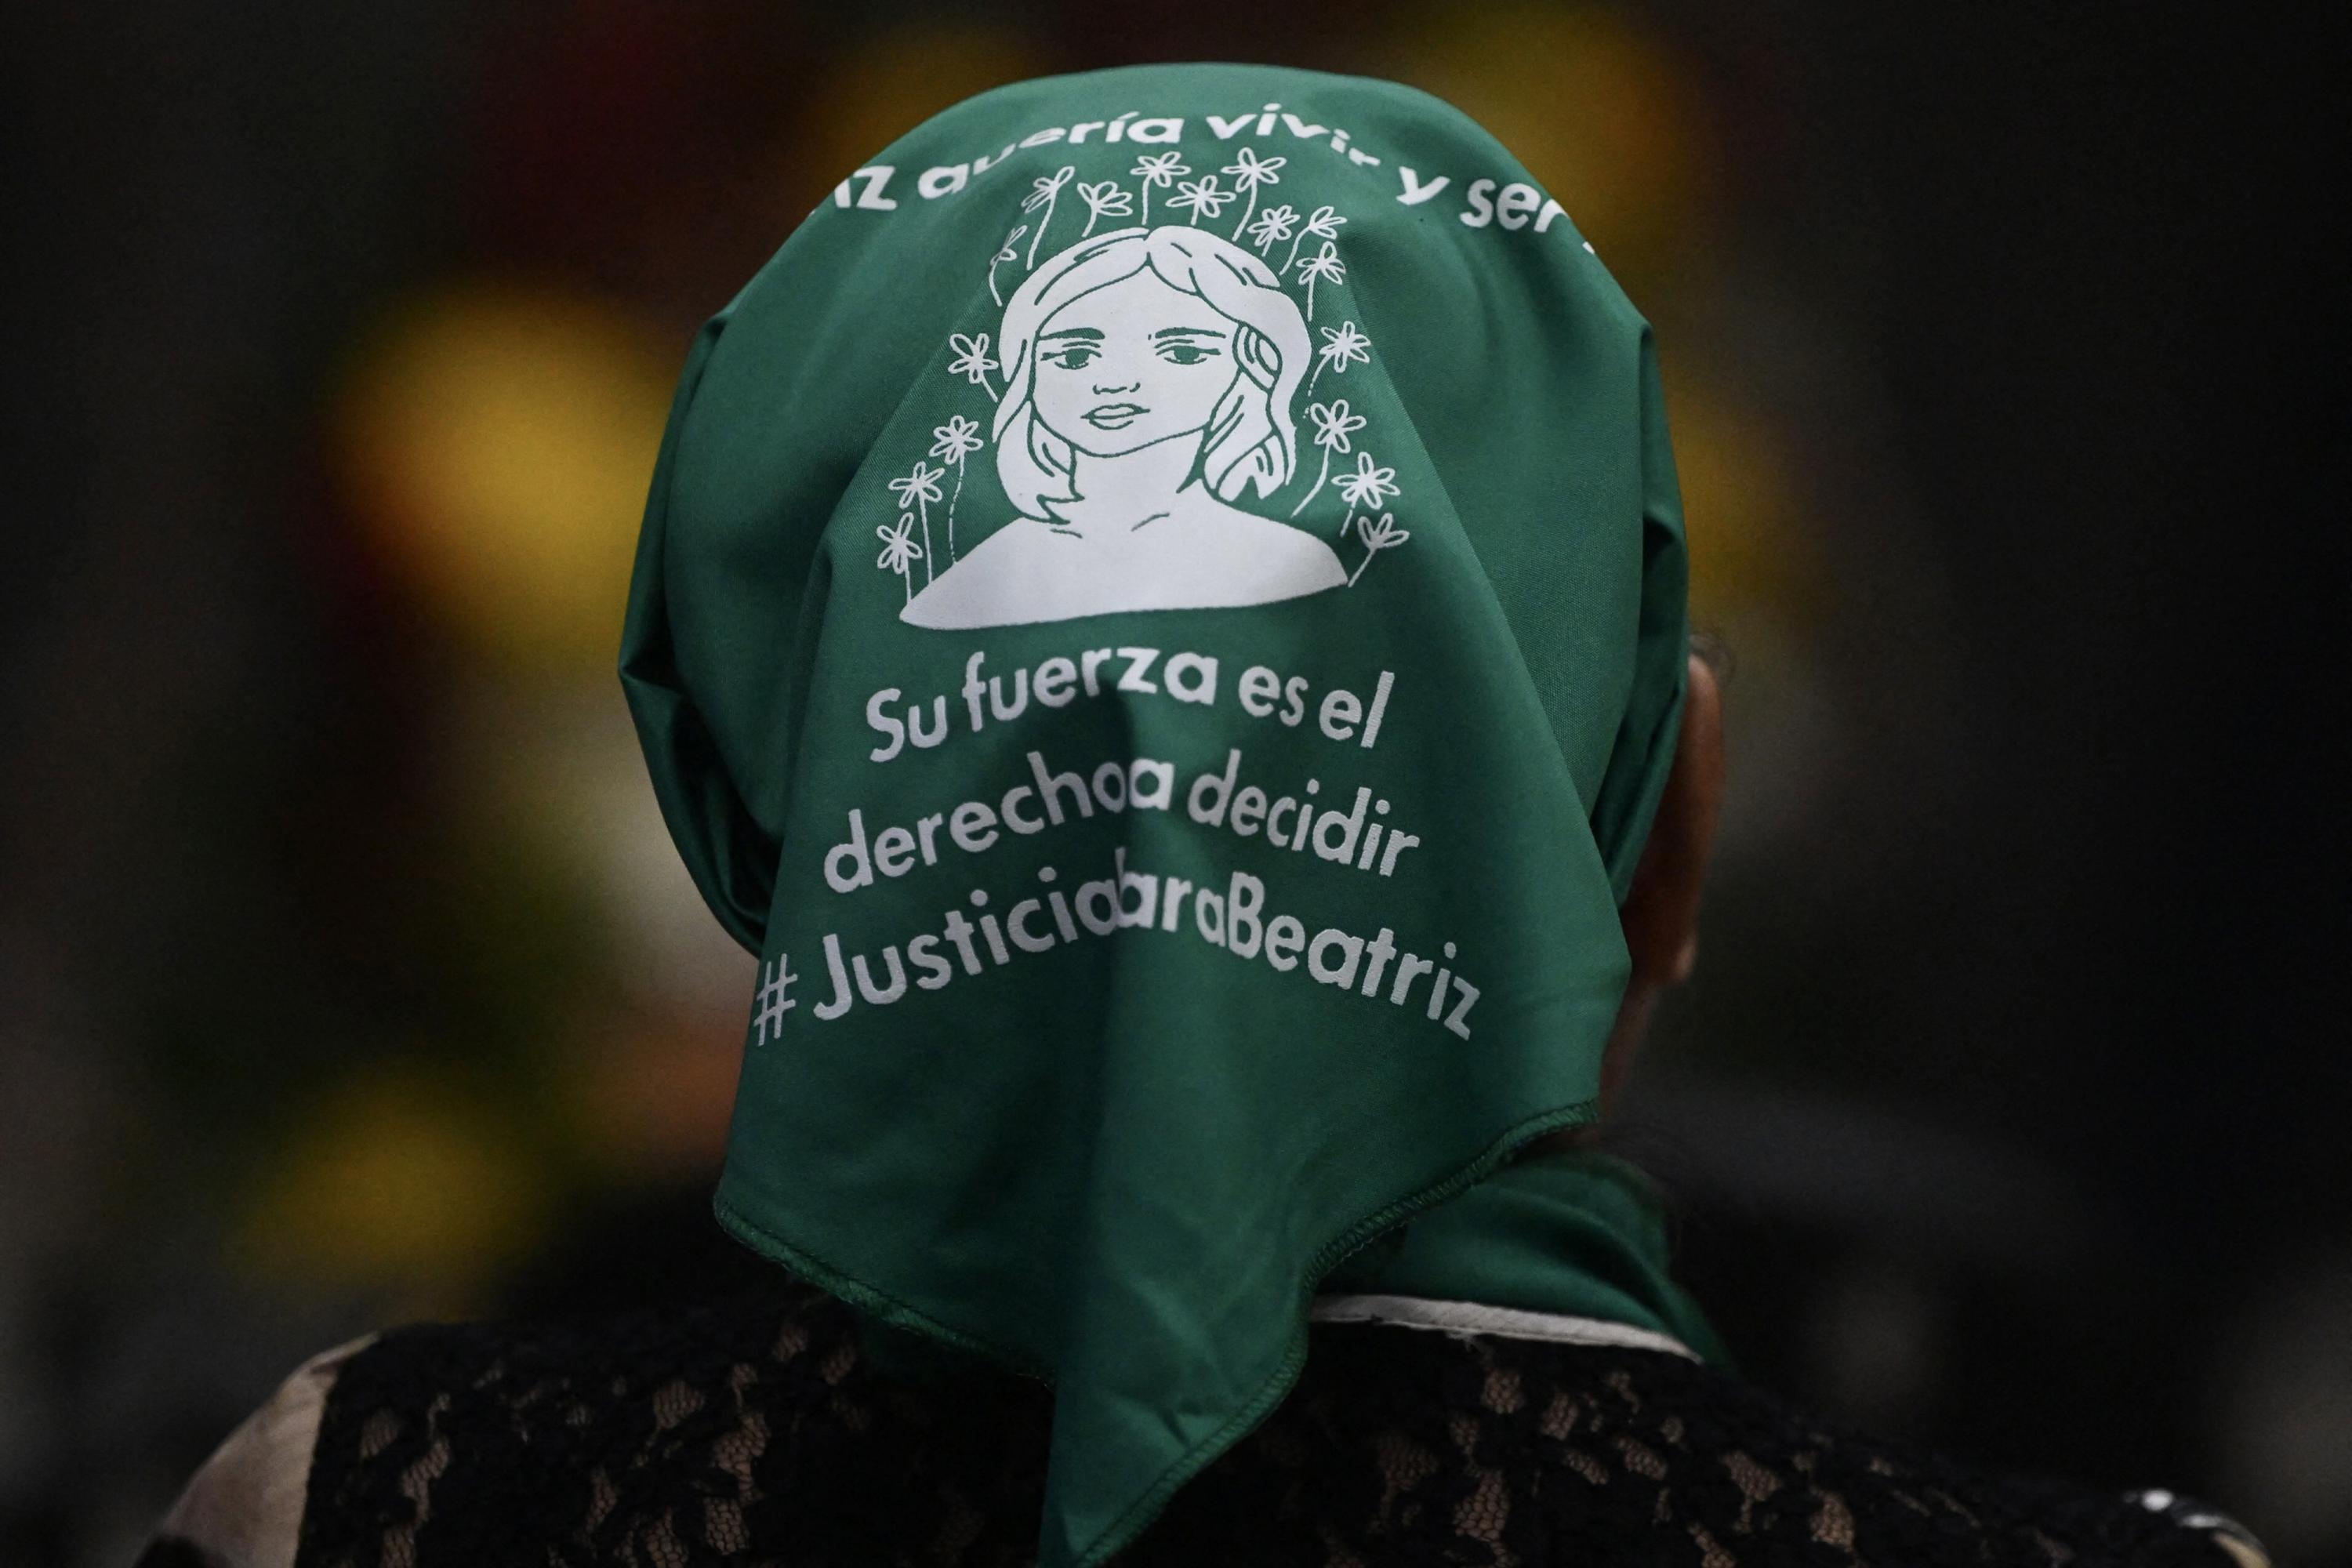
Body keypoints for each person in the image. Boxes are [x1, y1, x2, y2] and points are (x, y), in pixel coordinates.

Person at [141, 64, 2267, 1568]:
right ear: (1669, 838)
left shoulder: (352, 1508)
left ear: (739, 810)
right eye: (1078, 345)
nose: (1125, 383)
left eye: (1184, 343)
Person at [903, 225, 1347, 630]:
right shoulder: (972, 583)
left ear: (1251, 364)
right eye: (1075, 356)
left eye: (1182, 352)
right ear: (1027, 373)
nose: (1115, 382)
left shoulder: (1297, 562)